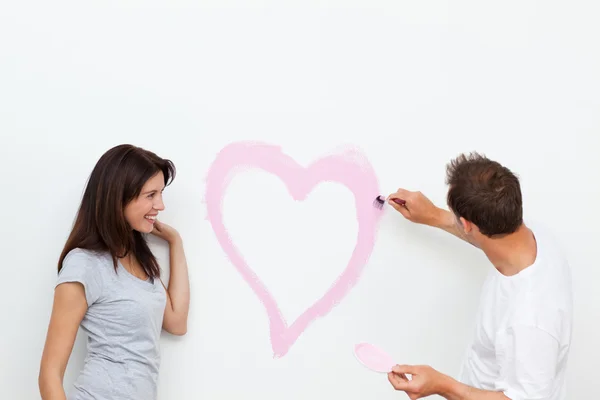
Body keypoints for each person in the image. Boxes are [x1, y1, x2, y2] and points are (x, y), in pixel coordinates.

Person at [384, 152, 572, 400]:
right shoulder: (531, 236)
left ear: (468, 224)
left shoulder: (529, 319)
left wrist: (443, 386)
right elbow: (487, 236)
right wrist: (434, 215)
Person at [38, 144, 191, 400]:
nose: (160, 205)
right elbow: (49, 373)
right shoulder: (83, 265)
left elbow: (176, 322)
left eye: (161, 193)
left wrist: (176, 243)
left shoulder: (141, 260)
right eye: (151, 194)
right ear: (119, 196)